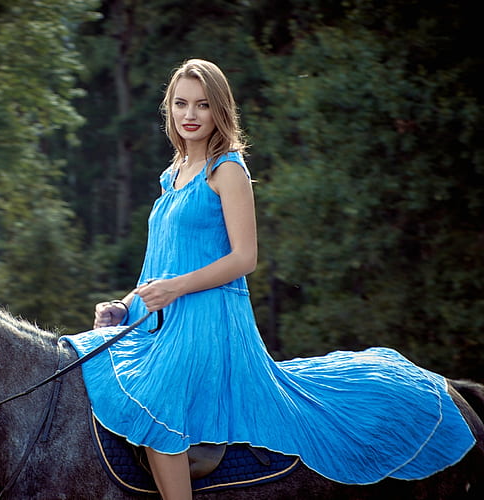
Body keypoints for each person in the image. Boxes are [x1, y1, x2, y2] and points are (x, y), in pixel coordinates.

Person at [62, 59, 474, 499]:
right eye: (180, 104)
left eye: (202, 105)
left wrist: (176, 288)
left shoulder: (228, 170)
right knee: (84, 361)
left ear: (220, 110)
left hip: (210, 320)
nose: (190, 115)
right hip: (162, 318)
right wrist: (125, 304)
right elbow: (158, 267)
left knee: (157, 409)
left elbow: (245, 258)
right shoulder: (172, 176)